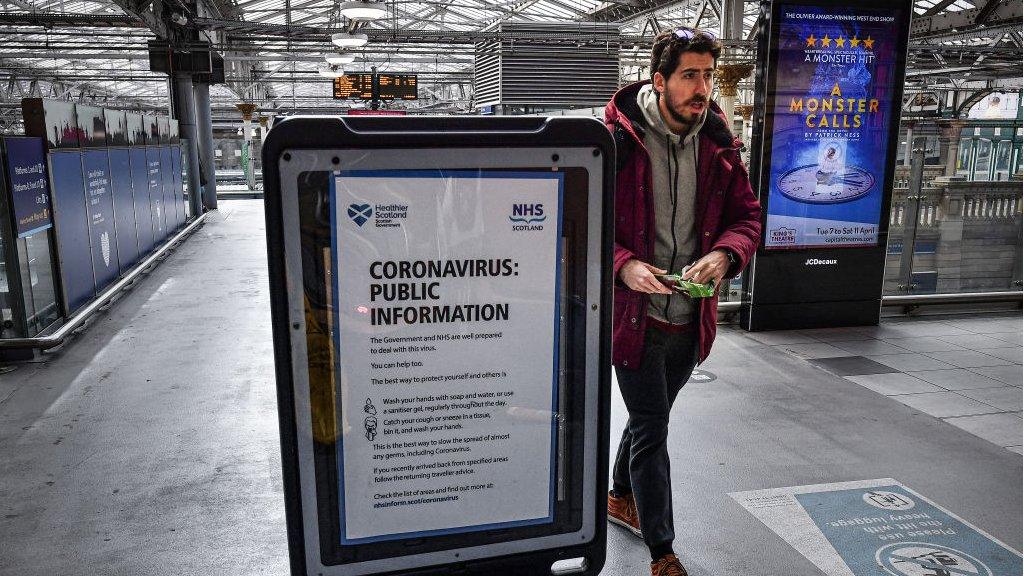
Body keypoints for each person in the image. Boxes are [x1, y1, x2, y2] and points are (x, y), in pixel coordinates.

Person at [602, 28, 762, 576]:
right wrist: (624, 264)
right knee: (652, 425)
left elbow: (748, 219)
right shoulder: (616, 142)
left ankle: (618, 494)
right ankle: (662, 550)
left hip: (690, 319)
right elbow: (581, 223)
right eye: (690, 75)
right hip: (634, 317)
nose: (702, 88)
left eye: (708, 76)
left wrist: (724, 256)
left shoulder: (719, 147)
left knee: (653, 417)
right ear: (659, 80)